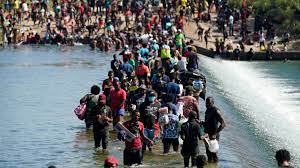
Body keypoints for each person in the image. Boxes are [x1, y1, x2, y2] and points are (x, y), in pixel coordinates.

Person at [204, 97, 226, 162]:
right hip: (207, 134)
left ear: (213, 103)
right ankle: (210, 164)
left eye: (209, 103)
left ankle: (215, 165)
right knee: (208, 152)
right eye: (206, 103)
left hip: (214, 135)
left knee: (214, 153)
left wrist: (215, 134)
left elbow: (223, 124)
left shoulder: (216, 111)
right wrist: (202, 123)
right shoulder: (207, 110)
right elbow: (208, 121)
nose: (207, 105)